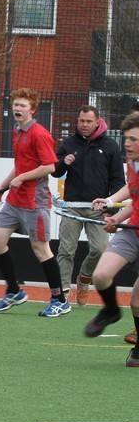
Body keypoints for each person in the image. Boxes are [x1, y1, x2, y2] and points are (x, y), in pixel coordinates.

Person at [0, 88, 66, 316]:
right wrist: (3, 185)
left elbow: (49, 166)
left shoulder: (39, 134)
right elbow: (20, 164)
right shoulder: (17, 131)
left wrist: (22, 178)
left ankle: (59, 300)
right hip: (15, 200)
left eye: (22, 105)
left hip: (35, 202)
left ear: (32, 110)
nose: (17, 108)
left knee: (41, 250)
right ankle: (14, 291)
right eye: (15, 104)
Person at [81, 111, 139, 368]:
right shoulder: (133, 162)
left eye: (134, 139)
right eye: (127, 139)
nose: (128, 144)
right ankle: (111, 311)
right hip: (133, 230)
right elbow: (135, 196)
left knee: (137, 301)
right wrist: (115, 213)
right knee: (101, 275)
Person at [52, 106, 125, 308]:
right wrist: (63, 162)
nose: (84, 125)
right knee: (66, 250)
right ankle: (62, 296)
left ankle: (84, 278)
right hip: (72, 207)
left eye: (88, 121)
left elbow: (118, 180)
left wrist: (110, 209)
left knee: (100, 249)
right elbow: (55, 171)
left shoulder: (110, 146)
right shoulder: (69, 143)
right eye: (81, 121)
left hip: (98, 208)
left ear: (97, 122)